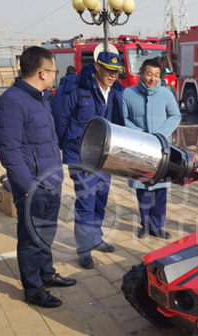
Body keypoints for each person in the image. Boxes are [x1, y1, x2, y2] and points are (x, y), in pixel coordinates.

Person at [0, 46, 76, 308]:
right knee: (30, 239)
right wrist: (27, 187)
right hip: (33, 186)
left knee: (46, 233)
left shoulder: (40, 98)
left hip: (51, 180)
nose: (55, 75)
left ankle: (46, 273)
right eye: (54, 71)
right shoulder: (10, 102)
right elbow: (10, 151)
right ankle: (33, 289)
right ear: (42, 72)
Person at [52, 52, 124, 269]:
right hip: (81, 155)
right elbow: (60, 119)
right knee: (86, 201)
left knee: (101, 198)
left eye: (116, 71)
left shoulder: (116, 91)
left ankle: (95, 238)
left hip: (105, 156)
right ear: (97, 67)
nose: (113, 75)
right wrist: (67, 148)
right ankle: (84, 249)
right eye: (108, 70)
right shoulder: (77, 88)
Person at [123, 59, 181, 239]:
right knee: (142, 187)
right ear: (141, 73)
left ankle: (157, 226)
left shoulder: (166, 94)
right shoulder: (128, 93)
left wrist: (160, 134)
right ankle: (144, 224)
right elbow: (123, 118)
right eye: (149, 74)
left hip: (162, 147)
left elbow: (175, 115)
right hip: (139, 148)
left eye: (156, 75)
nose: (152, 78)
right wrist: (141, 134)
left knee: (160, 188)